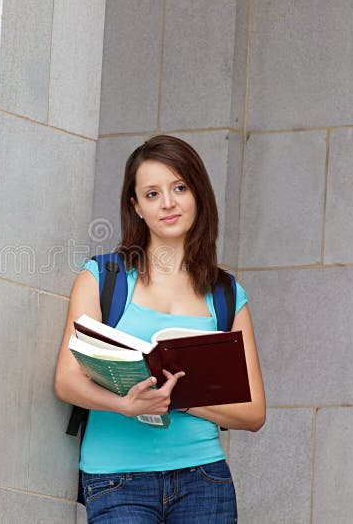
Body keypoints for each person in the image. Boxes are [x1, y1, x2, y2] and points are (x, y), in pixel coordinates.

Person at [54, 135, 265, 523]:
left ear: (197, 195)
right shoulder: (102, 278)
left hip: (204, 480)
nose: (168, 203)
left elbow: (252, 413)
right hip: (115, 479)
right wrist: (125, 404)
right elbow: (66, 381)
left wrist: (177, 396)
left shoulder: (226, 294)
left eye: (179, 188)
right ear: (136, 207)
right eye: (152, 194)